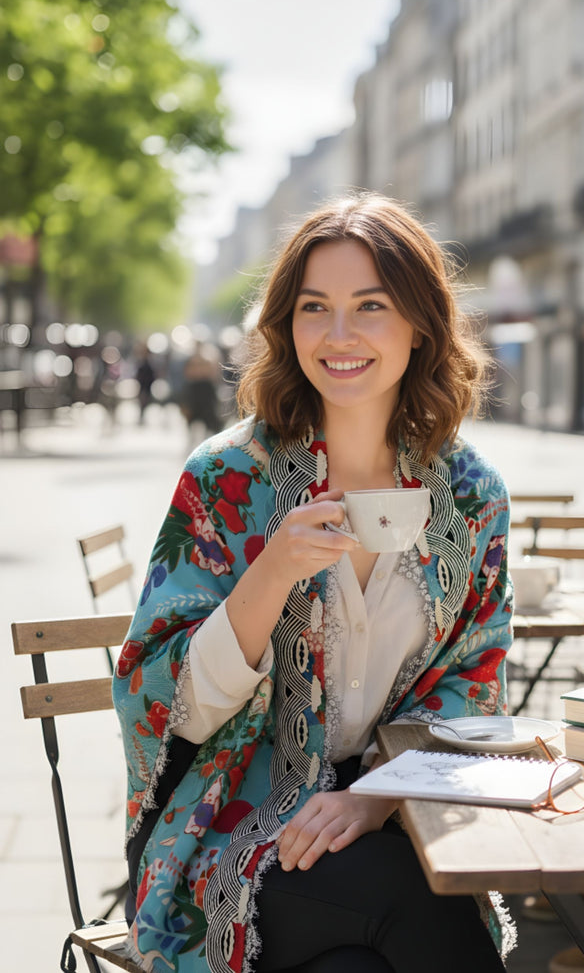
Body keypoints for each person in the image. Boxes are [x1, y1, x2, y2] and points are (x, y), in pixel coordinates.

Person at [113, 193, 515, 973]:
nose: (339, 335)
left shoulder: (470, 492)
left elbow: (480, 678)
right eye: (314, 308)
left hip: (392, 821)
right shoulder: (228, 478)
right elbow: (158, 701)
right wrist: (270, 574)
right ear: (284, 324)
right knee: (416, 900)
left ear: (420, 323)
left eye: (370, 305)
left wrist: (377, 797)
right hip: (225, 831)